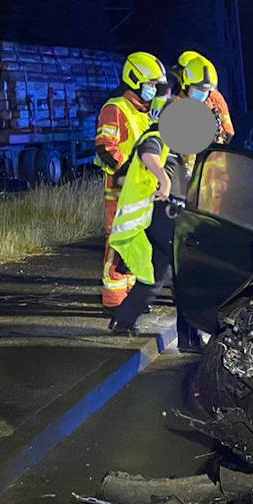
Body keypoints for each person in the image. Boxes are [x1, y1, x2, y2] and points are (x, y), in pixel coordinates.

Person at [107, 98, 211, 335]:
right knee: (186, 270)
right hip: (161, 213)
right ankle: (190, 336)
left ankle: (123, 321)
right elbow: (148, 155)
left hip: (166, 214)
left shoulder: (174, 150)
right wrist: (163, 181)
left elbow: (123, 178)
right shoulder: (156, 138)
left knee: (155, 275)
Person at [94, 51, 168, 309]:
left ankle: (131, 297)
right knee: (119, 243)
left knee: (137, 243)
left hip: (141, 192)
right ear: (135, 79)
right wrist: (129, 172)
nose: (154, 90)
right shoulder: (115, 109)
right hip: (120, 190)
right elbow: (106, 148)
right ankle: (113, 299)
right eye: (151, 85)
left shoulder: (145, 113)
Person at [175, 50, 234, 144]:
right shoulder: (176, 98)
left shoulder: (215, 98)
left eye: (205, 90)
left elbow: (228, 134)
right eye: (197, 88)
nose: (202, 93)